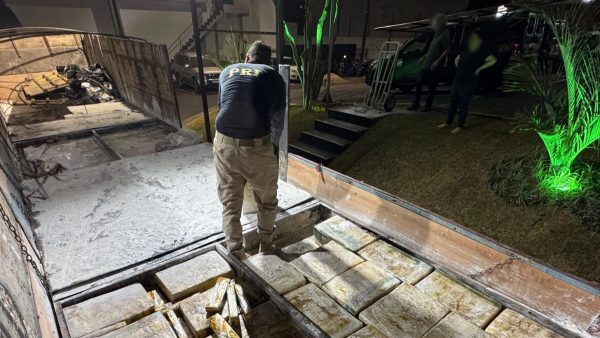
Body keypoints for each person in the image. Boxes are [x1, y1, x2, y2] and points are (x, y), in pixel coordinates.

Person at [213, 41, 286, 258]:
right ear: (268, 61)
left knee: (230, 203)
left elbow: (225, 104)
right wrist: (270, 151)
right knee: (267, 200)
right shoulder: (273, 76)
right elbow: (277, 120)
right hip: (255, 146)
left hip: (223, 143)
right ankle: (266, 245)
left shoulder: (227, 71)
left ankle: (235, 252)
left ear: (247, 57)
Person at [439, 29, 497, 134]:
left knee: (463, 104)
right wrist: (458, 65)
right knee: (453, 102)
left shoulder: (482, 52)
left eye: (475, 38)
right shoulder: (467, 50)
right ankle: (448, 122)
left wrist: (480, 68)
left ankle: (460, 125)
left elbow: (493, 60)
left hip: (469, 81)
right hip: (458, 80)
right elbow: (458, 58)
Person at [408, 13, 450, 112]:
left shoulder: (445, 33)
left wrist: (437, 61)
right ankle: (415, 104)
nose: (433, 25)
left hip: (434, 66)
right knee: (418, 83)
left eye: (435, 23)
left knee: (431, 87)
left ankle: (428, 106)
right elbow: (431, 49)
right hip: (426, 64)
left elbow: (447, 49)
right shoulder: (436, 34)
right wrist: (423, 58)